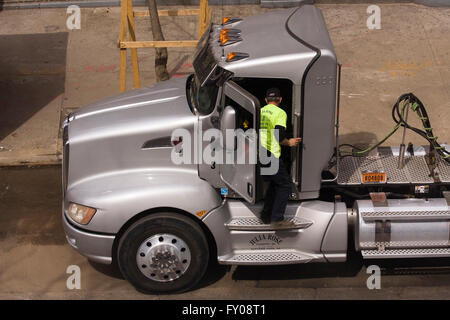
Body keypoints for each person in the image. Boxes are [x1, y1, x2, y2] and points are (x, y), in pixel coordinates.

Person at [260, 88, 302, 228]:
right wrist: (289, 142)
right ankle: (277, 219)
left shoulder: (260, 111)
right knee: (285, 185)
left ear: (266, 100)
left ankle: (265, 216)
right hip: (272, 154)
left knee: (274, 185)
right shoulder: (280, 113)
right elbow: (278, 134)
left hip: (261, 153)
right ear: (280, 100)